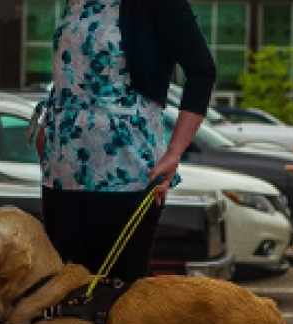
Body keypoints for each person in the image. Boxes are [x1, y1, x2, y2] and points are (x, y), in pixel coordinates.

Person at [32, 0, 216, 283]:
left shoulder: (156, 5)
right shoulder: (75, 3)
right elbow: (71, 71)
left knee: (118, 294)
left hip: (127, 168)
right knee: (67, 292)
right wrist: (47, 123)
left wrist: (175, 151)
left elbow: (202, 70)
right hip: (62, 168)